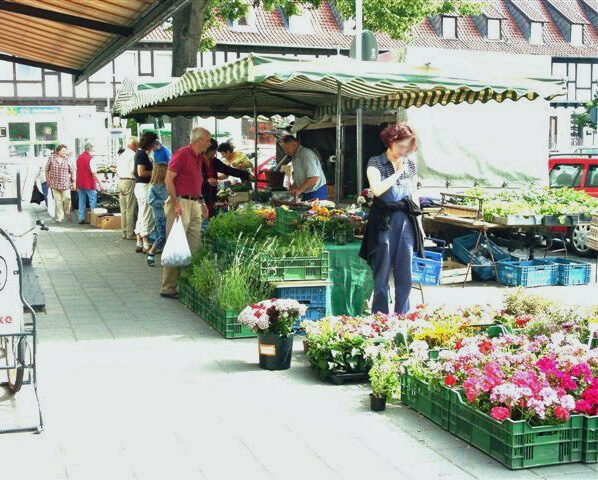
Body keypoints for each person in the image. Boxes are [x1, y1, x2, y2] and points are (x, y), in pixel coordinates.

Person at [359, 123, 425, 315]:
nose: (404, 151)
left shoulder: (411, 162)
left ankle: (402, 316)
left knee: (405, 273)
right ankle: (380, 316)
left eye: (407, 147)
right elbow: (377, 189)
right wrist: (397, 173)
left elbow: (413, 194)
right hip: (383, 221)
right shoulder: (376, 162)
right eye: (401, 146)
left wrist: (420, 227)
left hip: (406, 220)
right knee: (381, 272)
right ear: (391, 141)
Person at [160, 127, 210, 298]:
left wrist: (202, 202)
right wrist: (175, 203)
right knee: (176, 245)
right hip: (181, 202)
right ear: (199, 140)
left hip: (194, 202)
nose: (209, 143)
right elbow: (168, 179)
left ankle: (188, 284)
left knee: (194, 246)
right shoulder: (182, 154)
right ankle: (168, 287)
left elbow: (196, 182)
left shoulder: (199, 157)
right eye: (208, 140)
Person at [203, 139, 250, 217]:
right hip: (201, 197)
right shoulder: (198, 161)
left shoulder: (214, 161)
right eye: (214, 150)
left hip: (212, 195)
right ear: (207, 150)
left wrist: (246, 175)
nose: (215, 153)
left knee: (211, 217)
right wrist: (206, 181)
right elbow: (192, 177)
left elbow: (228, 170)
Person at [280, 135, 327, 201]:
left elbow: (314, 178)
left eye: (287, 148)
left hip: (316, 192)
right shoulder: (294, 157)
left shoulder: (306, 155)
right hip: (306, 192)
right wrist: (292, 189)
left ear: (294, 144)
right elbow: (300, 177)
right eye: (284, 149)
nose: (285, 151)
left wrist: (299, 190)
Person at [134, 132, 157, 253]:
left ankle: (139, 241)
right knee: (146, 214)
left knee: (142, 213)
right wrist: (156, 173)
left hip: (141, 186)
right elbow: (141, 172)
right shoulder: (142, 154)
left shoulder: (141, 153)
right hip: (144, 186)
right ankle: (145, 240)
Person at [146, 158, 168, 267]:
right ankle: (151, 251)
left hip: (169, 215)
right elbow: (150, 201)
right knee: (161, 236)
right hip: (160, 215)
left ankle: (165, 257)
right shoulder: (153, 187)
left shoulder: (168, 184)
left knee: (167, 236)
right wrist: (164, 203)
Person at [45, 144, 75, 222]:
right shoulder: (51, 158)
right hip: (54, 183)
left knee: (67, 198)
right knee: (57, 201)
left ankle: (67, 211)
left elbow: (72, 171)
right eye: (63, 151)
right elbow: (46, 169)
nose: (65, 152)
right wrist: (48, 180)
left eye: (65, 150)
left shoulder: (68, 159)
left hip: (65, 184)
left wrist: (74, 182)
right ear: (58, 151)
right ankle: (59, 217)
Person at [76, 143, 104, 224]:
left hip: (80, 182)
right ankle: (93, 218)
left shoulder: (79, 157)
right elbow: (94, 173)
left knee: (81, 201)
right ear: (91, 149)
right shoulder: (91, 159)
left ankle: (81, 218)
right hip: (89, 183)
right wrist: (100, 183)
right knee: (93, 200)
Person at [117, 136, 138, 240]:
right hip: (129, 181)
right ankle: (130, 233)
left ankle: (124, 232)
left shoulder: (122, 155)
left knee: (123, 209)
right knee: (130, 208)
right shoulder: (133, 155)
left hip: (120, 181)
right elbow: (133, 170)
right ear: (134, 145)